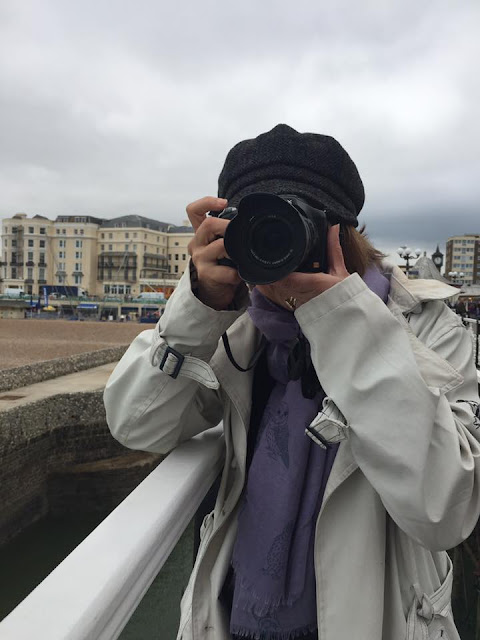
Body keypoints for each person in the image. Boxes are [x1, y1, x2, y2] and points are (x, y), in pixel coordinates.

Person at [104, 124, 480, 640]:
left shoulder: (429, 326)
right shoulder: (234, 327)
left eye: (299, 221)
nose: (278, 243)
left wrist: (346, 322)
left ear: (342, 233)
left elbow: (445, 510)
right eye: (258, 225)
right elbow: (135, 425)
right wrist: (199, 306)